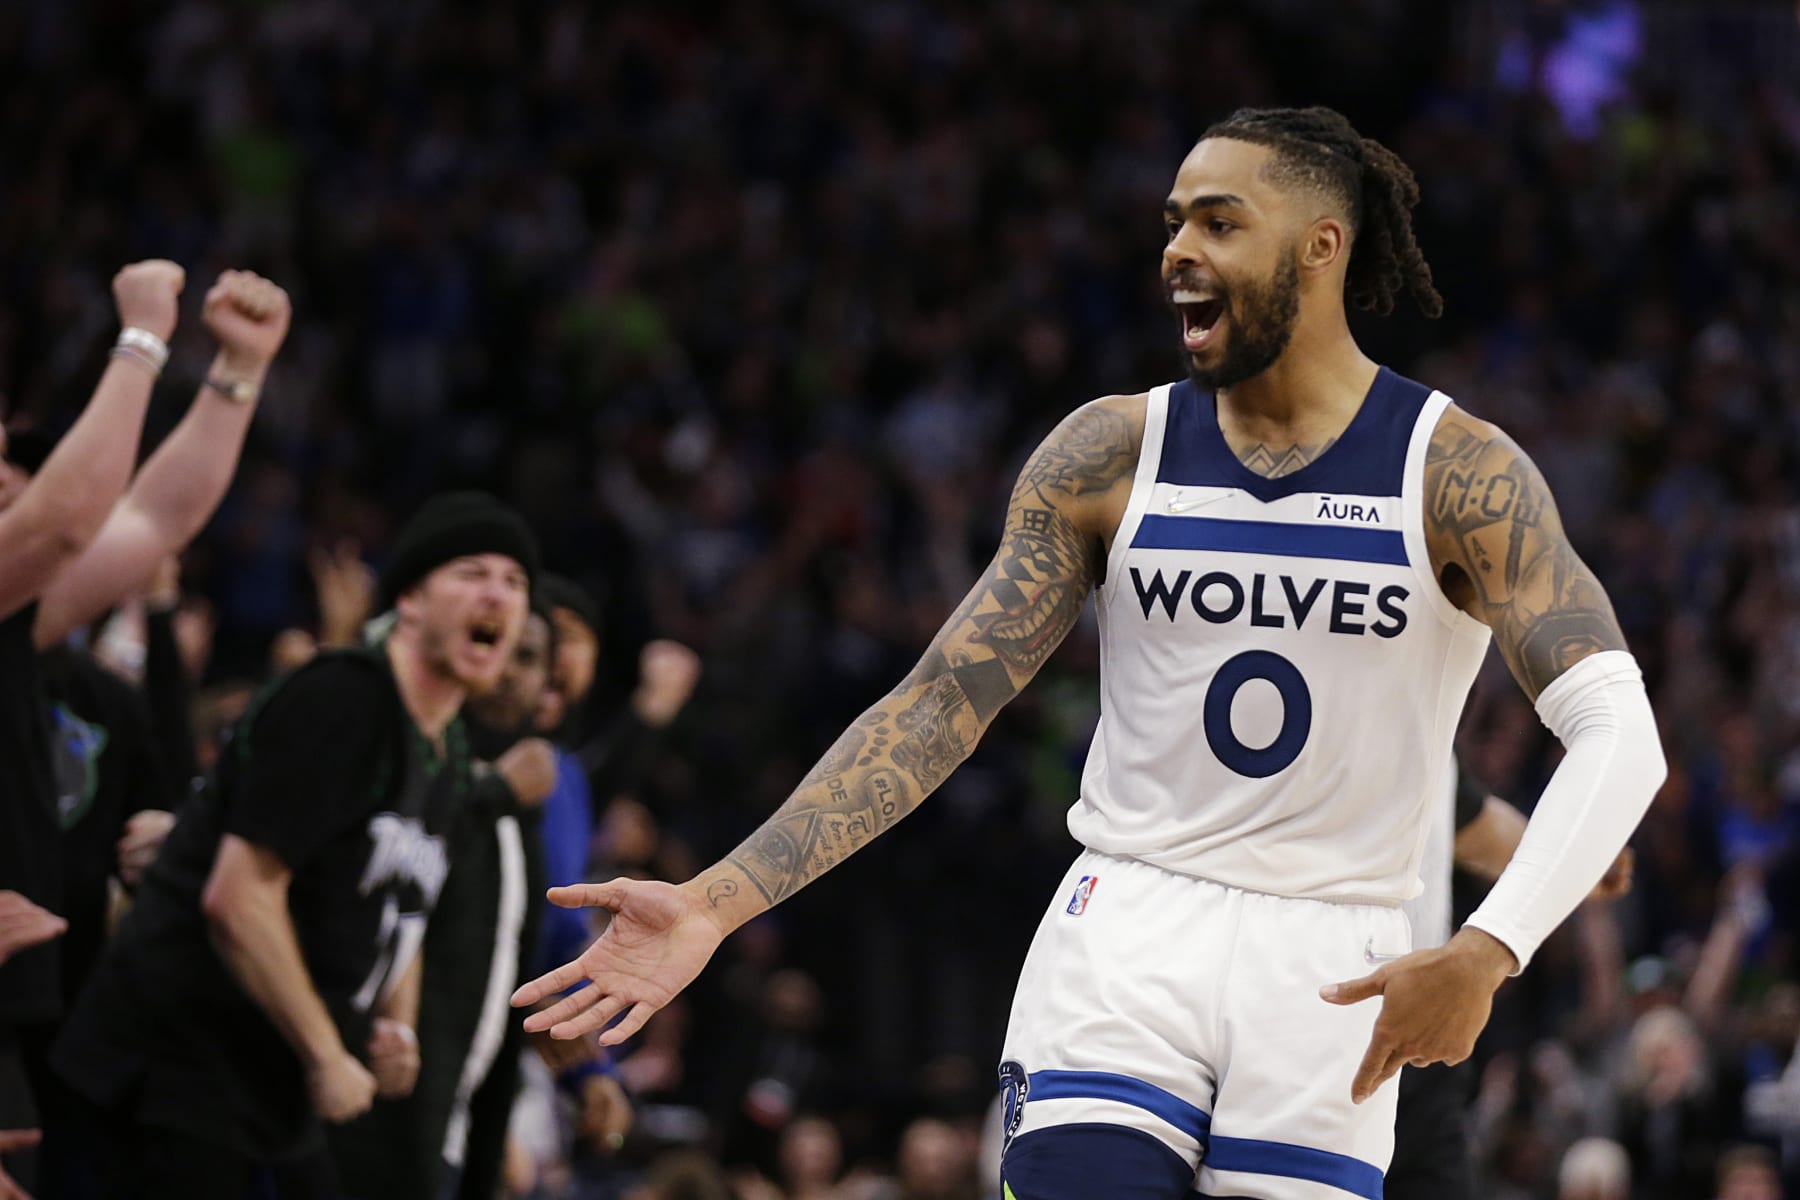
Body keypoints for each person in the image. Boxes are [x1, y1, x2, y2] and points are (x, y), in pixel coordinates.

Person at [515, 105, 1666, 1198]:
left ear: (1322, 248)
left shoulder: (1457, 473)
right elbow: (936, 708)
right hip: (1127, 925)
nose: (1177, 249)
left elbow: (1622, 734)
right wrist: (717, 902)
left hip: (1335, 955)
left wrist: (1489, 949)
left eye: (1219, 221)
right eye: (1172, 219)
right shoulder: (1111, 451)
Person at [51, 491, 538, 1199]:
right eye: (472, 572)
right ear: (408, 600)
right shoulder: (346, 701)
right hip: (167, 1073)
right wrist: (324, 1053)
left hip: (262, 1089)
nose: (498, 593)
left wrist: (393, 1021)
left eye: (515, 582)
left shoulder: (446, 751)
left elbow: (402, 899)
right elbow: (238, 897)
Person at [1, 260, 289, 1198]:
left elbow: (152, 517)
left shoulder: (20, 618)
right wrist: (142, 336)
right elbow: (68, 520)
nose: (15, 490)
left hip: (42, 1008)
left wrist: (236, 371)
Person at [329, 596, 560, 1200]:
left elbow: (506, 992)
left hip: (457, 1131)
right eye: (498, 648)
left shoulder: (523, 813)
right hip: (377, 1109)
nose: (509, 670)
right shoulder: (425, 770)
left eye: (528, 656)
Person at [1386, 763, 1633, 1200]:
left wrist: (1576, 861)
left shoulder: (1440, 748)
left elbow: (1479, 826)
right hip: (1337, 1021)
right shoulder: (1349, 718)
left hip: (1426, 1048)